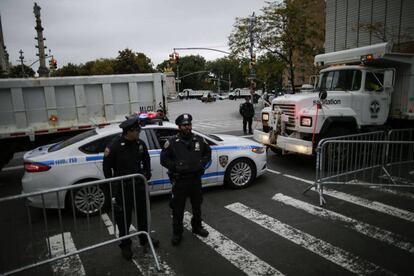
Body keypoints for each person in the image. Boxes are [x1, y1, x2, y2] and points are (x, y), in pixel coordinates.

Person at [103, 117, 159, 260]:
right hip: (123, 188)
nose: (139, 132)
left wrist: (146, 175)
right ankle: (125, 245)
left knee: (143, 215)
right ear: (129, 131)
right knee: (123, 219)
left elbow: (146, 161)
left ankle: (144, 239)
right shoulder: (115, 146)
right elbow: (106, 168)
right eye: (137, 130)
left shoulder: (140, 144)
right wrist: (113, 186)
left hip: (139, 186)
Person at [160, 113, 212, 246]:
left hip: (195, 180)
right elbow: (163, 159)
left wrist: (201, 163)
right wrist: (175, 167)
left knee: (197, 206)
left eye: (189, 124)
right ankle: (177, 232)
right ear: (179, 126)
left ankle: (197, 227)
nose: (187, 127)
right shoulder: (172, 142)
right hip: (180, 181)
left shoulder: (199, 140)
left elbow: (208, 152)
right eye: (184, 125)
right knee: (178, 209)